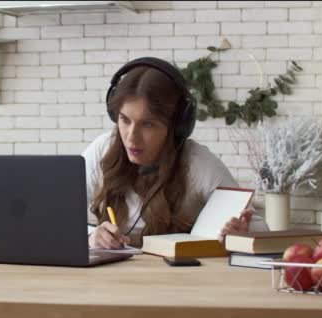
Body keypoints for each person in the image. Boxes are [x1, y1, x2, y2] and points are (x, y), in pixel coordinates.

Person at [83, 57, 268, 249]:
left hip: (180, 276)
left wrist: (241, 233)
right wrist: (91, 236)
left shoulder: (198, 163)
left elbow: (260, 227)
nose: (131, 138)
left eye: (148, 124)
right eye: (125, 120)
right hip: (110, 277)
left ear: (176, 126)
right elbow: (55, 217)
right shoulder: (102, 149)